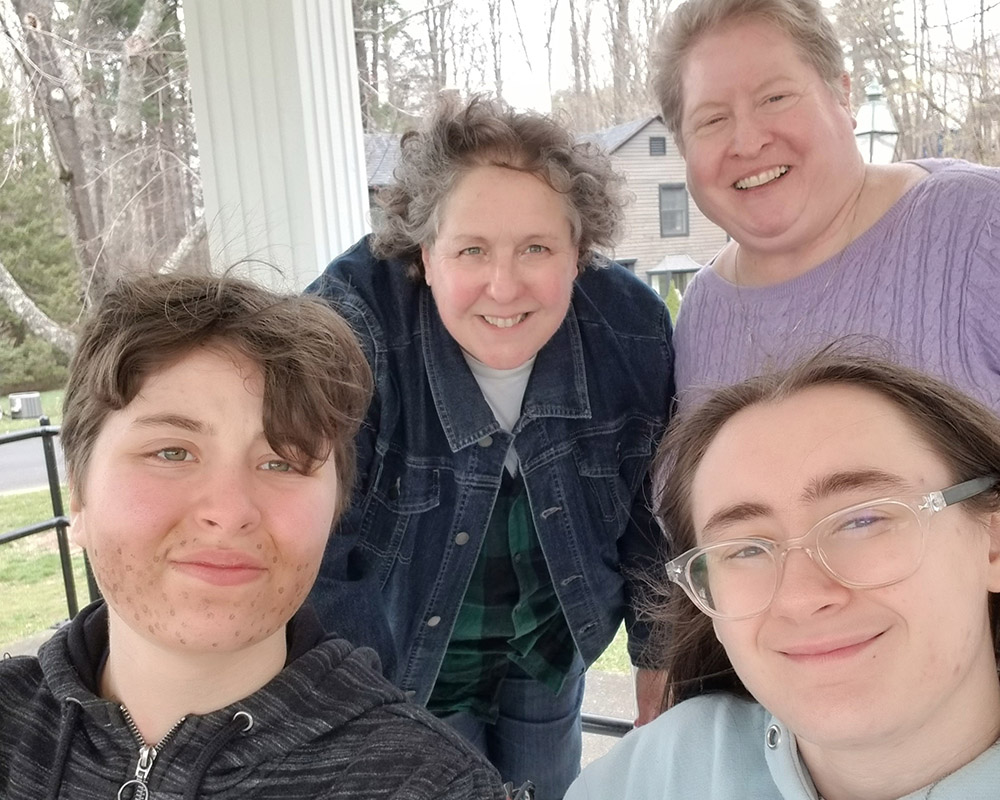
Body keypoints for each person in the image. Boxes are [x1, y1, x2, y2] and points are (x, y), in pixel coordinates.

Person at [0, 274, 508, 799]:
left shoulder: (430, 785)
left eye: (281, 463)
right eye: (172, 452)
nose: (229, 511)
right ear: (78, 497)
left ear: (334, 512)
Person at [306, 96, 675, 798]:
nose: (503, 288)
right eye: (472, 250)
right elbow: (316, 547)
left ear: (579, 253)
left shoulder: (631, 332)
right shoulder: (350, 331)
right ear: (425, 254)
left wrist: (659, 656)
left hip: (549, 644)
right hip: (404, 657)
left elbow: (648, 514)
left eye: (536, 248)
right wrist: (358, 714)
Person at [566, 349, 1000, 799]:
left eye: (862, 521)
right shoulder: (654, 771)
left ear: (992, 542)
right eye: (746, 549)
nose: (800, 597)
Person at [649, 0, 1000, 411]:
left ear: (843, 97)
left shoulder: (980, 227)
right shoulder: (702, 312)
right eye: (712, 120)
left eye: (775, 97)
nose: (747, 142)